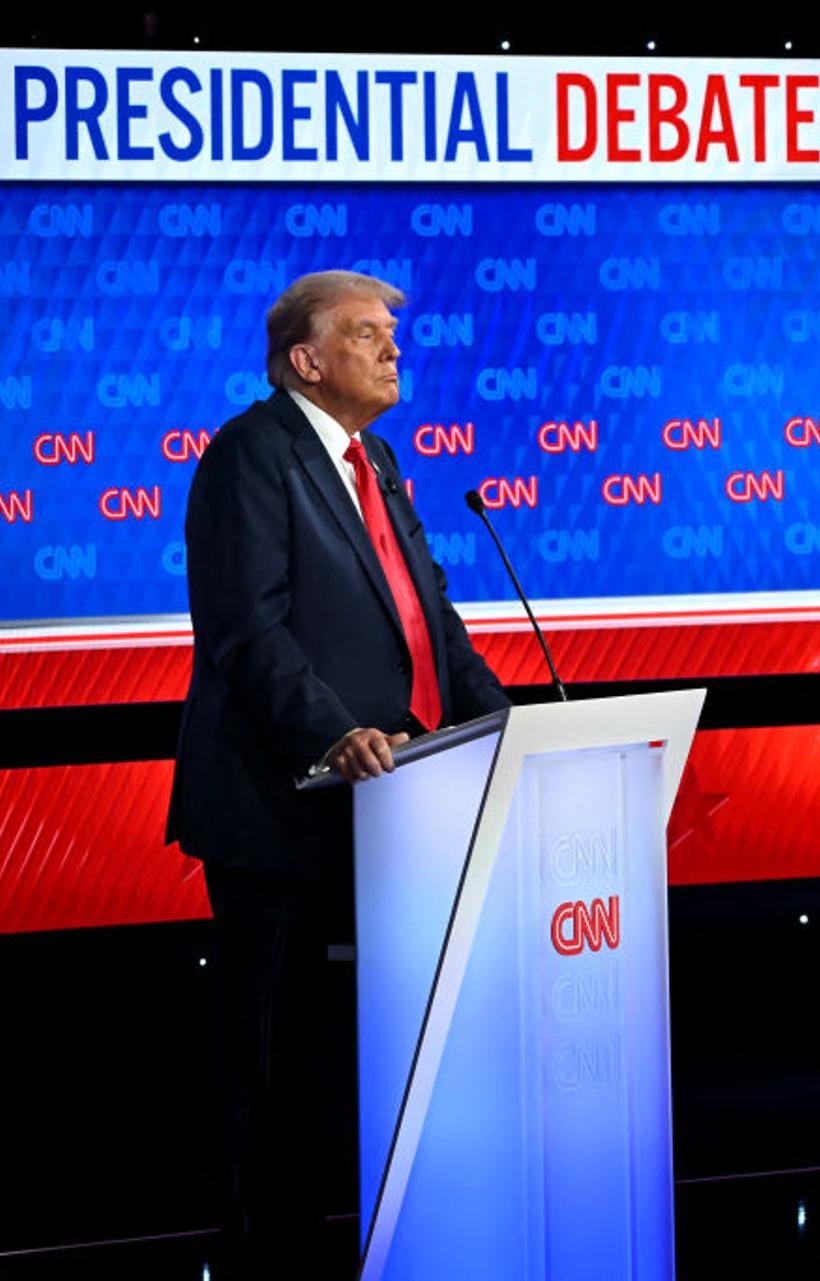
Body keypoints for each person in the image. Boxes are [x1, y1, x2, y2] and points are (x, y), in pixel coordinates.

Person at [167, 270, 511, 1277]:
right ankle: (261, 1250)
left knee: (358, 1053)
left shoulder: (379, 464)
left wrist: (513, 728)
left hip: (395, 808)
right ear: (306, 361)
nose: (391, 349)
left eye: (390, 334)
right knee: (275, 1056)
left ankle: (359, 1234)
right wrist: (334, 732)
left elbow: (429, 622)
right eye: (367, 334)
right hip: (284, 811)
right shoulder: (250, 456)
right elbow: (246, 628)